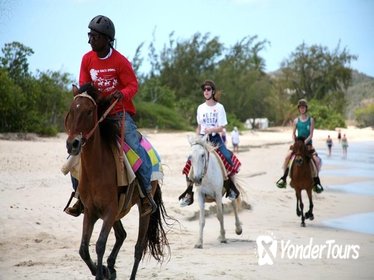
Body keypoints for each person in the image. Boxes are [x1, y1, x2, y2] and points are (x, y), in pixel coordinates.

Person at [64, 15, 156, 217]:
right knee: (74, 153)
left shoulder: (120, 62)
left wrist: (121, 93)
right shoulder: (87, 59)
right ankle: (79, 197)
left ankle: (146, 195)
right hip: (95, 115)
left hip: (118, 113)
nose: (90, 40)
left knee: (136, 149)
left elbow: (133, 85)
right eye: (89, 35)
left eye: (94, 36)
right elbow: (85, 87)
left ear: (107, 39)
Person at [179, 80, 240, 207]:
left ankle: (231, 188)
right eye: (204, 89)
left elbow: (222, 127)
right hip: (202, 139)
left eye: (208, 89)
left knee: (228, 157)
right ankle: (189, 193)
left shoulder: (219, 107)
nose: (206, 91)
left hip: (215, 139)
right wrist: (196, 138)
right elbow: (199, 126)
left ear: (213, 91)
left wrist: (212, 130)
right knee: (190, 161)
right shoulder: (200, 108)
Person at [275, 99, 324, 193]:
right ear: (299, 109)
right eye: (300, 107)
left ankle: (316, 181)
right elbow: (293, 133)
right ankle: (284, 178)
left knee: (317, 161)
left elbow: (311, 135)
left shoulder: (311, 120)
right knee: (287, 157)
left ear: (306, 108)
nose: (302, 109)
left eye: (304, 107)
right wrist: (296, 141)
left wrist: (305, 142)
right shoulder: (296, 121)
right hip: (298, 144)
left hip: (307, 144)